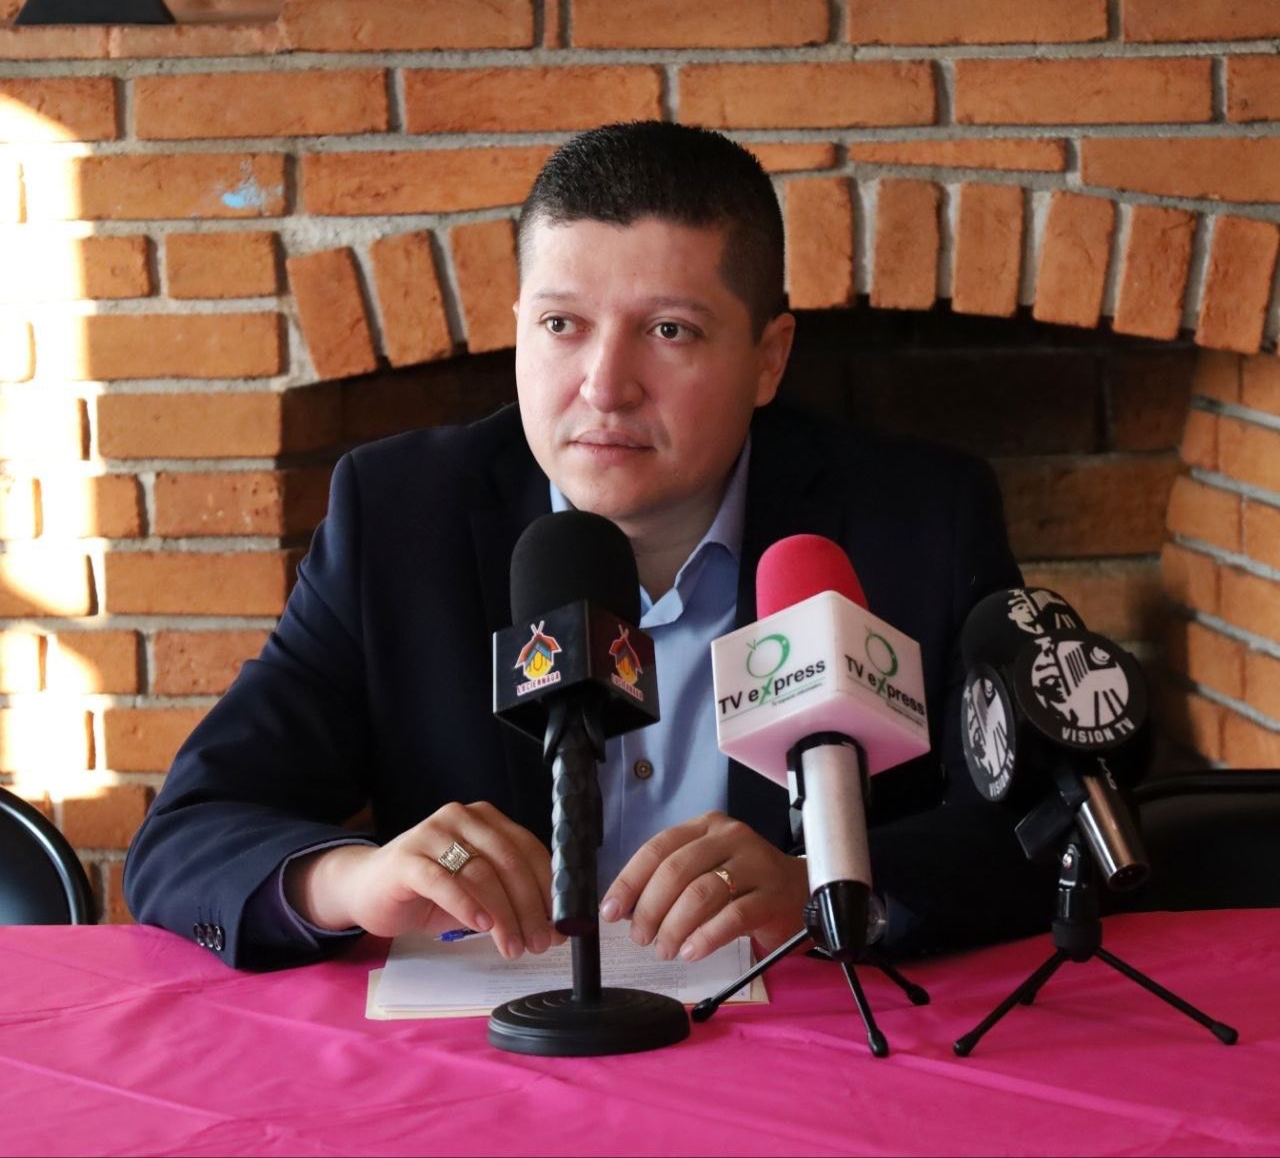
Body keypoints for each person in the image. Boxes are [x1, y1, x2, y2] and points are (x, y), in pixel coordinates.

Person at [125, 121, 1051, 970]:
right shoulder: (400, 516)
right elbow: (189, 833)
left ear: (768, 359)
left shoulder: (915, 518)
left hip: (806, 1047)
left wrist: (826, 883)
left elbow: (1050, 827)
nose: (605, 387)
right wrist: (352, 882)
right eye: (561, 325)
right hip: (491, 1061)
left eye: (669, 331)